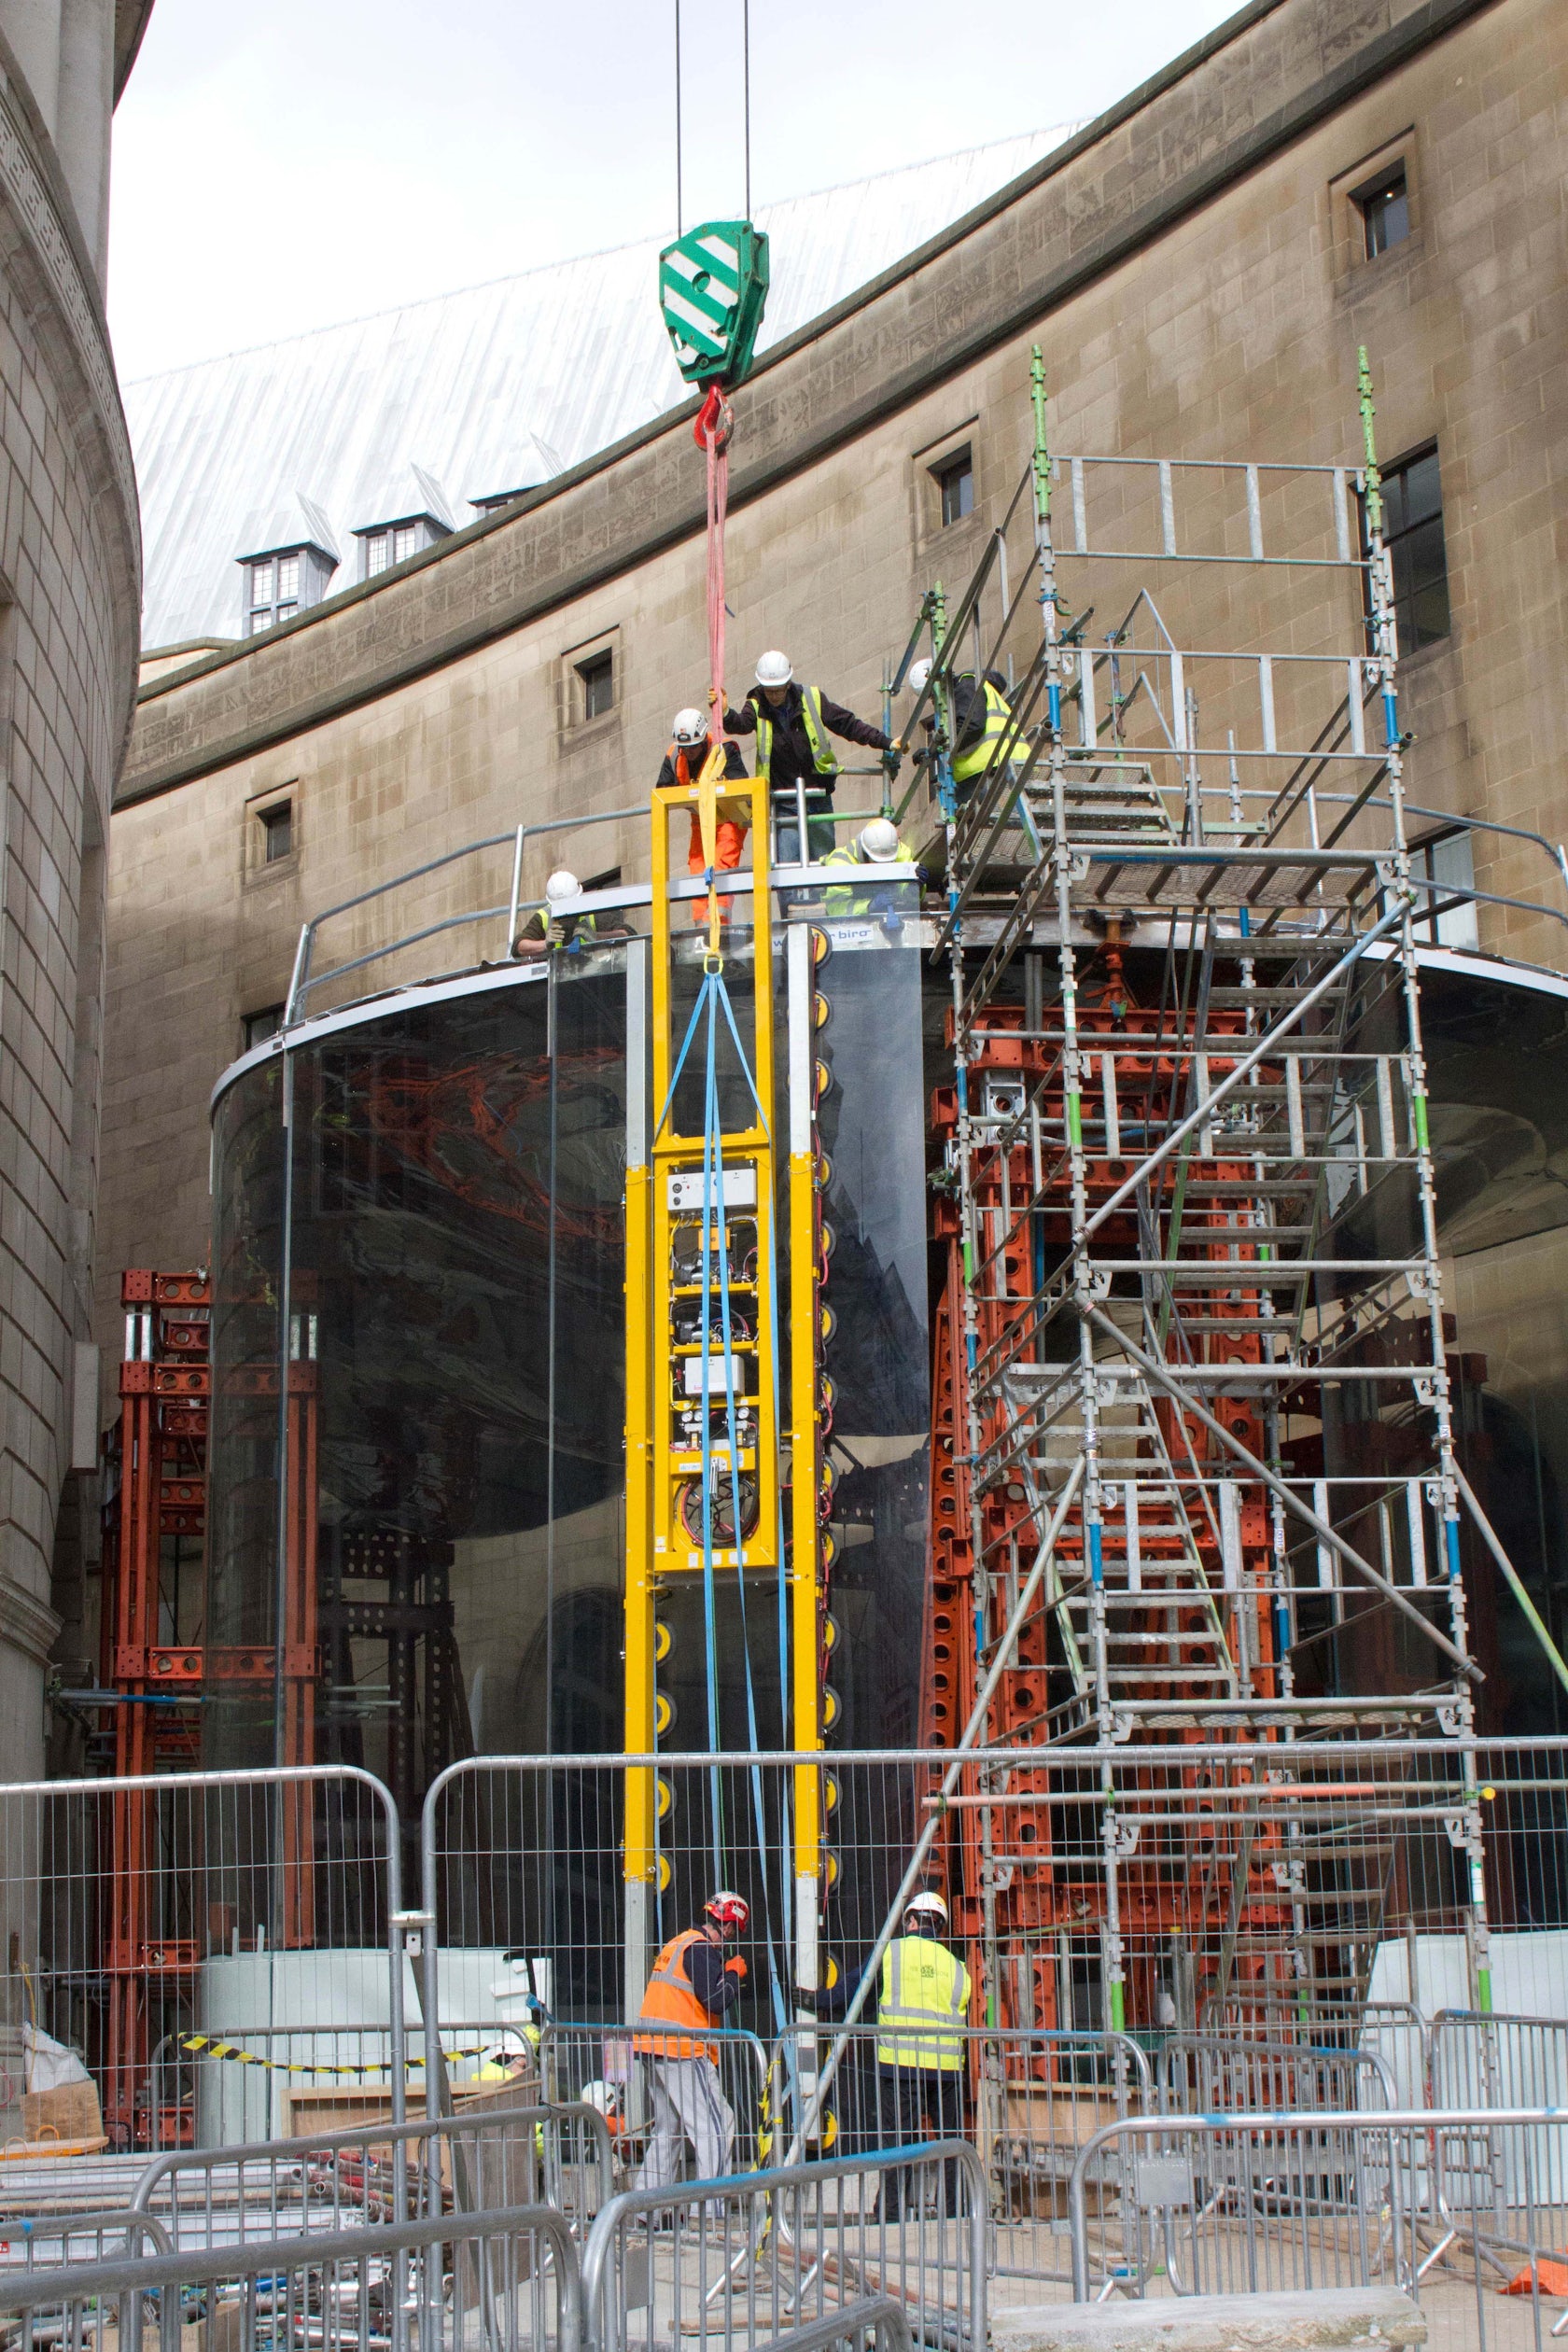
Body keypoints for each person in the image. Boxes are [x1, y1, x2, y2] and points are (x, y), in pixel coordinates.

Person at [798, 1888, 971, 2220]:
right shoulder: (957, 1967)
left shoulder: (891, 1953)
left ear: (909, 1920)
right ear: (941, 1927)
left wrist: (813, 2000)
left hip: (901, 2066)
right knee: (952, 2145)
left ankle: (891, 2214)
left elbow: (855, 1987)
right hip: (947, 2070)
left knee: (898, 2144)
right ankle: (955, 2213)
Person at [722, 651, 902, 866]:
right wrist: (725, 712)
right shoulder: (756, 705)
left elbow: (847, 724)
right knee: (786, 866)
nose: (774, 696)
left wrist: (885, 741)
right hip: (782, 799)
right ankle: (789, 901)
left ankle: (824, 900)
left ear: (788, 684)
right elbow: (740, 724)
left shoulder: (811, 698)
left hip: (817, 793)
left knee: (824, 862)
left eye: (778, 690)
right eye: (769, 691)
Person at [632, 1890, 750, 2190]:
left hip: (653, 2046)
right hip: (682, 2050)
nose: (731, 1937)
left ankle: (647, 2210)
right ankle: (709, 2214)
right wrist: (734, 1975)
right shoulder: (700, 1949)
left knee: (668, 2130)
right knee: (718, 2126)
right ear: (727, 1924)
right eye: (734, 1931)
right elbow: (715, 1999)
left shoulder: (680, 1942)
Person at [657, 707, 750, 926]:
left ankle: (719, 923)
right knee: (697, 869)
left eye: (692, 747)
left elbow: (741, 785)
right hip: (700, 822)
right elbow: (662, 790)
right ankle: (701, 925)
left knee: (721, 867)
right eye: (685, 748)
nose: (688, 752)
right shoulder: (674, 755)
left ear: (703, 741)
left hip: (728, 820)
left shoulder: (723, 749)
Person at [907, 660, 1018, 808]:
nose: (933, 700)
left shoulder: (966, 686)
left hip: (992, 769)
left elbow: (972, 725)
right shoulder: (968, 690)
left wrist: (937, 748)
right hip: (996, 767)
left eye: (932, 694)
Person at [822, 818, 918, 925]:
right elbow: (837, 911)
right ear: (865, 852)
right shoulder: (840, 863)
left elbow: (910, 896)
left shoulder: (898, 851)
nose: (883, 866)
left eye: (888, 861)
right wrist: (870, 905)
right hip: (854, 926)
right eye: (877, 861)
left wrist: (914, 886)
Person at [513, 868, 631, 957]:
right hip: (556, 981)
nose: (566, 912)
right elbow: (518, 947)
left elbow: (628, 933)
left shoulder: (592, 911)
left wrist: (597, 936)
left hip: (594, 977)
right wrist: (544, 944)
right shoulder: (545, 916)